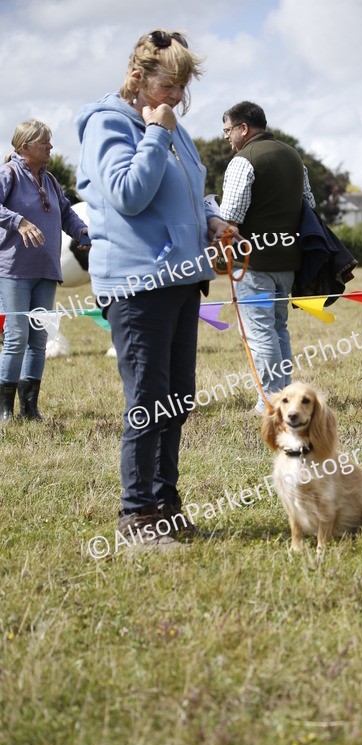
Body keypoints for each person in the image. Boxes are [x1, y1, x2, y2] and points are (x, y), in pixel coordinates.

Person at [76, 29, 231, 548]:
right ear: (138, 76)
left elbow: (190, 192)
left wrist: (212, 220)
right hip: (137, 283)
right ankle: (136, 516)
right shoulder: (108, 123)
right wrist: (157, 133)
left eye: (183, 87)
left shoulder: (169, 125)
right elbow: (128, 194)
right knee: (148, 400)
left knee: (177, 400)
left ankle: (165, 506)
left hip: (183, 279)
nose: (178, 97)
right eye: (169, 85)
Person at [219, 101, 316, 414]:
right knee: (278, 329)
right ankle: (285, 396)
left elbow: (230, 216)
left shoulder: (243, 160)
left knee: (260, 333)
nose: (226, 137)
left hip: (253, 264)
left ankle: (270, 403)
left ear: (243, 128)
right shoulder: (294, 157)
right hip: (288, 261)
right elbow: (310, 205)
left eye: (228, 130)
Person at [0, 120, 89, 423]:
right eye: (44, 142)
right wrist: (19, 222)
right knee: (16, 337)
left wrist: (82, 232)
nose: (51, 146)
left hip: (47, 271)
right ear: (25, 147)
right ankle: (4, 409)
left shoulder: (49, 179)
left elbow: (66, 213)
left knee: (38, 340)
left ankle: (29, 408)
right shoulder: (8, 174)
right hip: (14, 271)